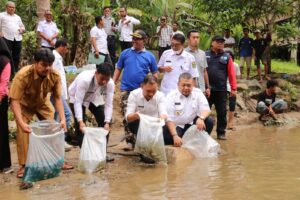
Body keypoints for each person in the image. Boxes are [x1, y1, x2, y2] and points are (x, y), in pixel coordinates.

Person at [9, 48, 70, 179]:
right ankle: (24, 166)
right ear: (35, 63)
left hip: (42, 103)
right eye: (43, 64)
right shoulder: (22, 75)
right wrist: (20, 122)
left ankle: (58, 159)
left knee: (54, 127)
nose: (47, 68)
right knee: (23, 130)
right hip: (24, 104)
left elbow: (58, 98)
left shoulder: (55, 75)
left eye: (49, 65)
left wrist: (63, 119)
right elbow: (14, 100)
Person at [113, 29, 158, 150]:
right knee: (128, 115)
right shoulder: (125, 53)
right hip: (127, 90)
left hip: (143, 92)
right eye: (133, 38)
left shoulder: (150, 56)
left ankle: (141, 139)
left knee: (142, 115)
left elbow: (155, 73)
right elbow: (118, 68)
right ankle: (129, 141)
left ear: (144, 41)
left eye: (138, 39)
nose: (135, 41)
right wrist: (113, 83)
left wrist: (152, 87)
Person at [68, 62, 115, 161]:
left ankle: (102, 153)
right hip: (76, 97)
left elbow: (109, 104)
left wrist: (107, 122)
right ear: (96, 73)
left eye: (107, 79)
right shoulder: (84, 79)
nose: (104, 82)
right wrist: (81, 121)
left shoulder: (110, 83)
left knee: (103, 119)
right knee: (80, 125)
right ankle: (86, 155)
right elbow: (78, 101)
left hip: (93, 96)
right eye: (102, 78)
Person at [163, 73, 214, 146]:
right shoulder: (171, 96)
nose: (186, 88)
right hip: (177, 126)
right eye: (183, 85)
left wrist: (201, 118)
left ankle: (199, 143)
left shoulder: (198, 93)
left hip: (192, 124)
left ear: (193, 85)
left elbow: (206, 109)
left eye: (189, 85)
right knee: (166, 136)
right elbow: (169, 119)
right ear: (178, 84)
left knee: (209, 121)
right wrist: (175, 136)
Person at [126, 75, 168, 161]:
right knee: (147, 158)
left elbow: (164, 112)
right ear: (142, 86)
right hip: (138, 124)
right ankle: (141, 147)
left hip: (155, 126)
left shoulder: (160, 96)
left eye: (154, 91)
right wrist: (135, 115)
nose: (151, 94)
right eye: (148, 91)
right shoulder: (134, 94)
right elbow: (128, 117)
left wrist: (163, 117)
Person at [206, 35, 237, 140]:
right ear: (212, 43)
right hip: (207, 89)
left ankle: (221, 133)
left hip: (221, 89)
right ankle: (204, 132)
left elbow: (232, 74)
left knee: (222, 112)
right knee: (204, 111)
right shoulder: (205, 55)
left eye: (222, 42)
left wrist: (233, 88)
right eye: (218, 41)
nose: (220, 44)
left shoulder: (227, 57)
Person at [52, 39, 73, 150]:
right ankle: (61, 141)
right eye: (66, 48)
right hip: (56, 92)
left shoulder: (58, 58)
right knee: (66, 115)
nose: (67, 50)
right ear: (61, 46)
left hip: (60, 92)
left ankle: (57, 141)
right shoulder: (54, 57)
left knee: (57, 117)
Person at [0, 1, 25, 73]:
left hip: (17, 38)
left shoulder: (17, 17)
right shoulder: (1, 15)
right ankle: (5, 72)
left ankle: (14, 73)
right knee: (6, 56)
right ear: (6, 7)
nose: (11, 8)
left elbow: (22, 26)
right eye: (10, 7)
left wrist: (22, 29)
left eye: (13, 7)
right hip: (6, 38)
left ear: (15, 9)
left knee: (16, 56)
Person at [0, 38, 13, 174]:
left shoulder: (5, 62)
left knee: (1, 131)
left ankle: (5, 164)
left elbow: (3, 86)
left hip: (1, 100)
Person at [185, 29, 210, 96]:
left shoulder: (202, 53)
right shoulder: (183, 53)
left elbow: (204, 71)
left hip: (201, 89)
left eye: (197, 37)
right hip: (187, 89)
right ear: (188, 39)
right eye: (193, 37)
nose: (196, 39)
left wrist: (207, 87)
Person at [226, 51, 241, 130]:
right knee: (230, 105)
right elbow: (238, 77)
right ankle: (229, 123)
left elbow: (237, 77)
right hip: (225, 87)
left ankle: (230, 123)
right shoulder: (235, 65)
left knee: (231, 105)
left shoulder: (235, 65)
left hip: (231, 87)